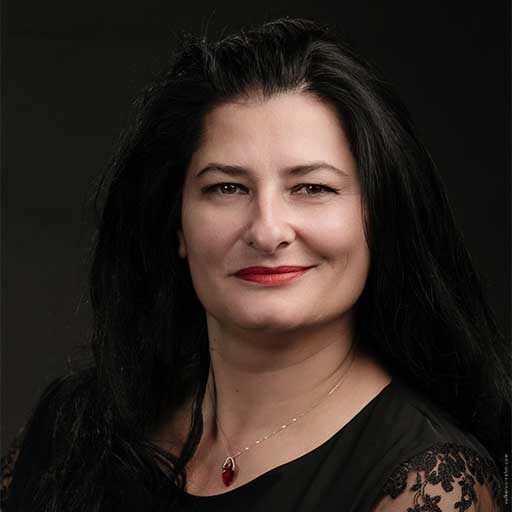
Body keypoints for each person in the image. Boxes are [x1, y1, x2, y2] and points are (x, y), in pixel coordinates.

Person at [1, 17, 510, 512]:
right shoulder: (73, 429)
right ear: (177, 225)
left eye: (311, 188)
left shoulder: (431, 483)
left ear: (378, 218)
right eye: (227, 187)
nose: (267, 231)